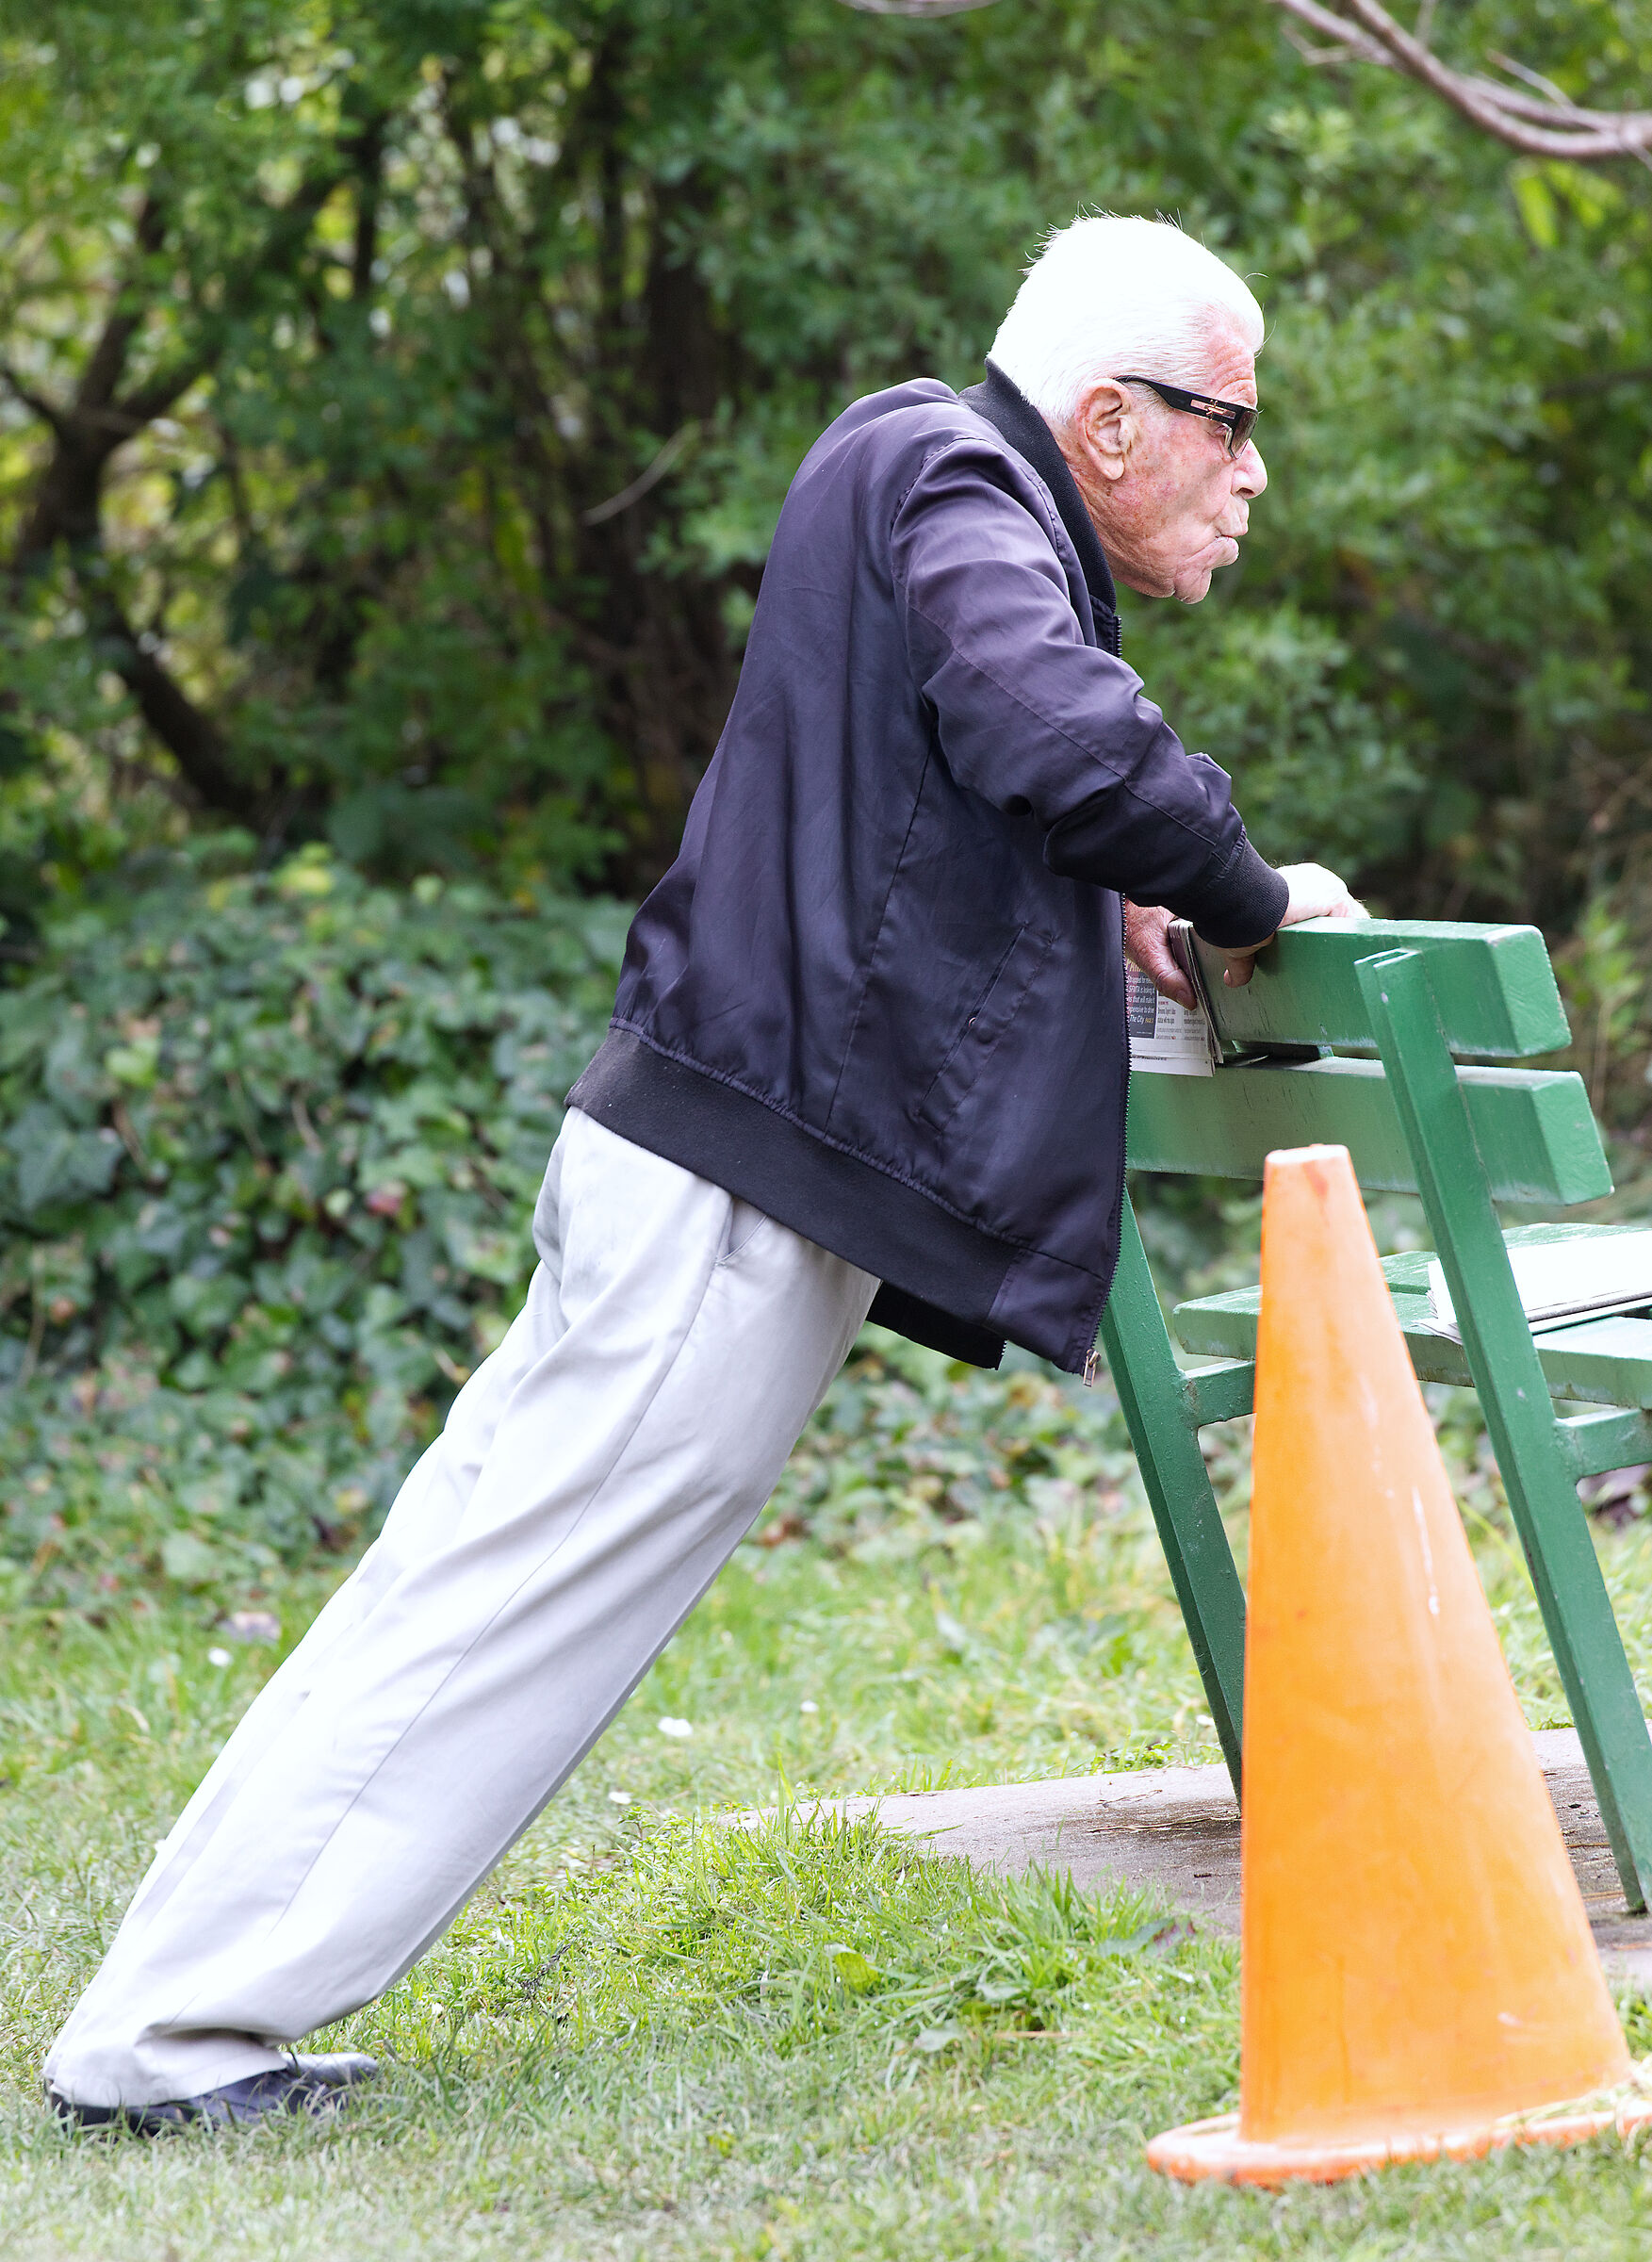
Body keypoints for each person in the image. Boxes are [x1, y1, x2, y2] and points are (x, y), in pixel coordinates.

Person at [45, 213, 1359, 2130]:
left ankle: (177, 2027)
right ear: (1107, 421)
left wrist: (1137, 895)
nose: (1253, 471)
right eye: (1229, 424)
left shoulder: (920, 472)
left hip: (724, 1163)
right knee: (494, 1605)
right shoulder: (957, 466)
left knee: (481, 1587)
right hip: (732, 1188)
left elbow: (970, 776)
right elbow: (1049, 725)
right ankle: (163, 2050)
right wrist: (1243, 892)